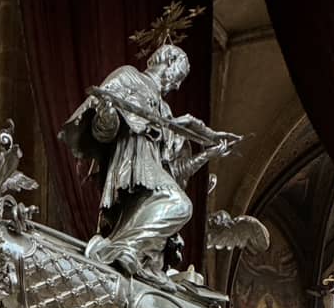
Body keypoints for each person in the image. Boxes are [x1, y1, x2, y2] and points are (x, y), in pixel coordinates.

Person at [60, 42, 237, 284]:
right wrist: (107, 114)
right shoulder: (128, 76)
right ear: (169, 61)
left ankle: (128, 252)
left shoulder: (165, 109)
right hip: (132, 167)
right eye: (179, 76)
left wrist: (209, 154)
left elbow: (175, 171)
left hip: (154, 173)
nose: (177, 85)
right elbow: (103, 133)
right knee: (180, 205)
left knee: (178, 208)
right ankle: (119, 249)